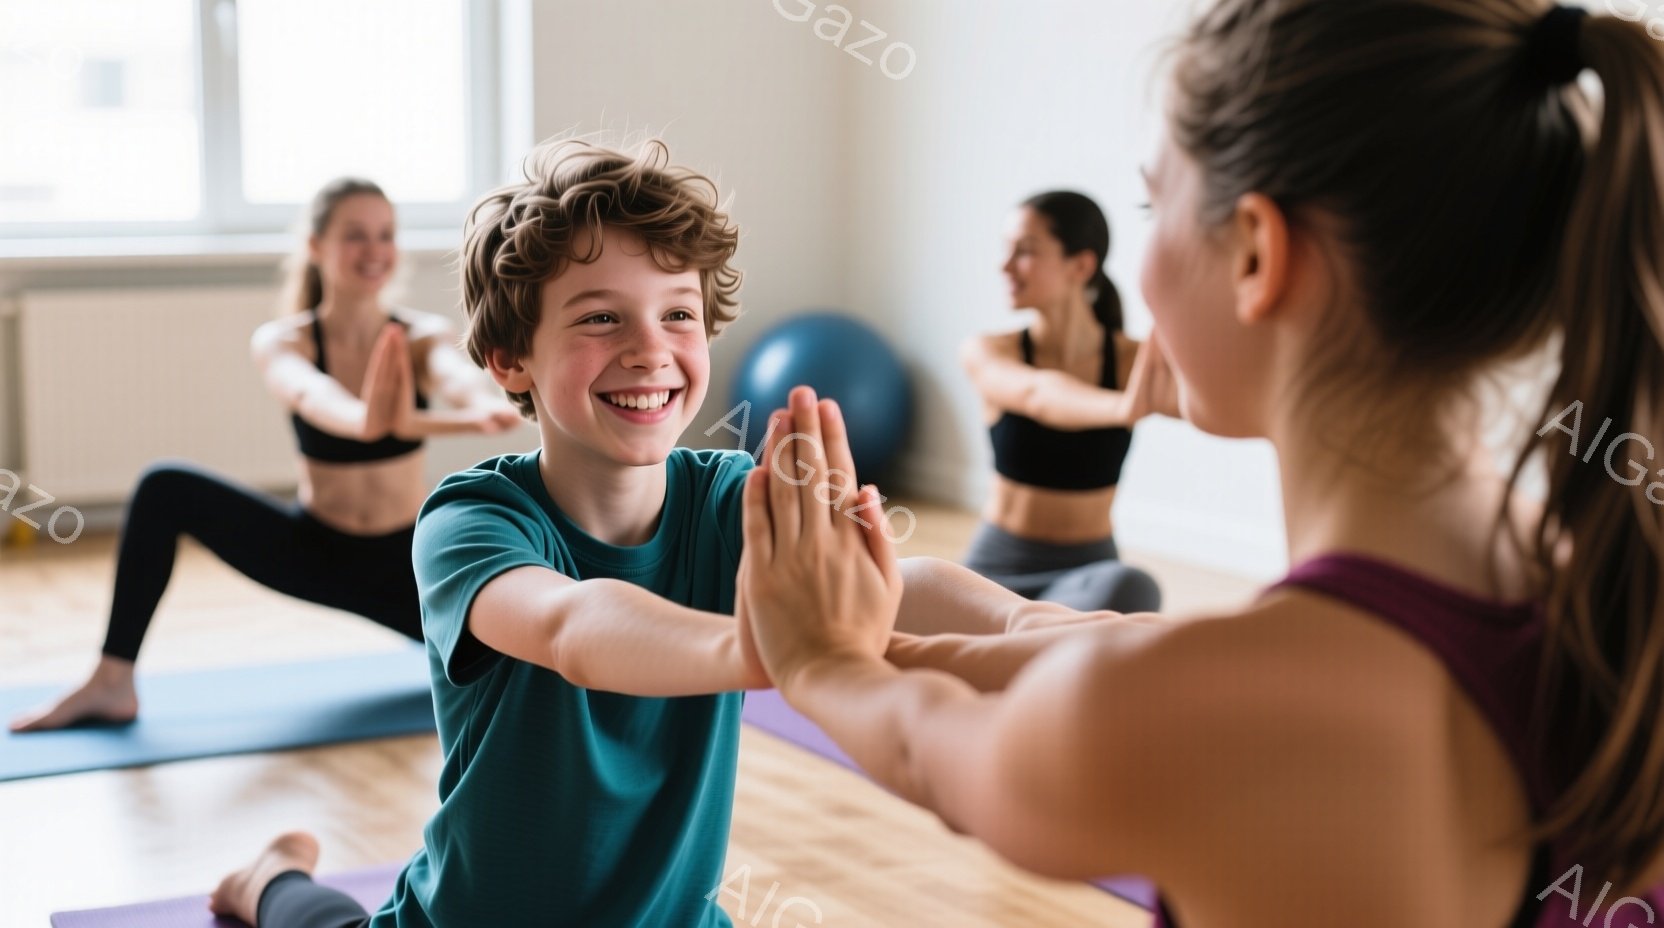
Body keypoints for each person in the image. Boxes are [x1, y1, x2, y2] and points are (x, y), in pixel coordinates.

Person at [737, 2, 1664, 926]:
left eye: (1155, 204)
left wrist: (823, 661)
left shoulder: (1217, 709)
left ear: (1257, 252)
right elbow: (1123, 652)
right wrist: (902, 634)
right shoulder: (1607, 600)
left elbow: (930, 748)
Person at [201, 138, 817, 928]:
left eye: (678, 315)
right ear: (510, 357)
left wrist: (1018, 626)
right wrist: (762, 649)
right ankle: (271, 877)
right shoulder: (471, 521)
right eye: (602, 317)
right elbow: (572, 628)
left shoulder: (733, 500)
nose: (650, 350)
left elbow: (897, 587)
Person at [9, 177, 520, 733]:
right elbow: (320, 400)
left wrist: (479, 407)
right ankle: (112, 680)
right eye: (355, 236)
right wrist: (373, 421)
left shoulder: (421, 337)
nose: (374, 251)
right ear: (316, 246)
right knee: (165, 487)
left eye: (385, 235)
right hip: (313, 552)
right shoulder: (285, 340)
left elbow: (464, 383)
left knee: (514, 670)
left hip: (408, 568)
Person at [954, 191, 1173, 620]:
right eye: (1006, 250)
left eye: (1025, 251)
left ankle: (1027, 647)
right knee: (909, 589)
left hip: (1086, 576)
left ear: (1082, 266)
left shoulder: (1132, 361)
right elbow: (1039, 394)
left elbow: (1212, 399)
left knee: (1132, 587)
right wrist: (1123, 409)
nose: (1005, 265)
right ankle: (1044, 649)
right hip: (996, 570)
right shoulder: (989, 351)